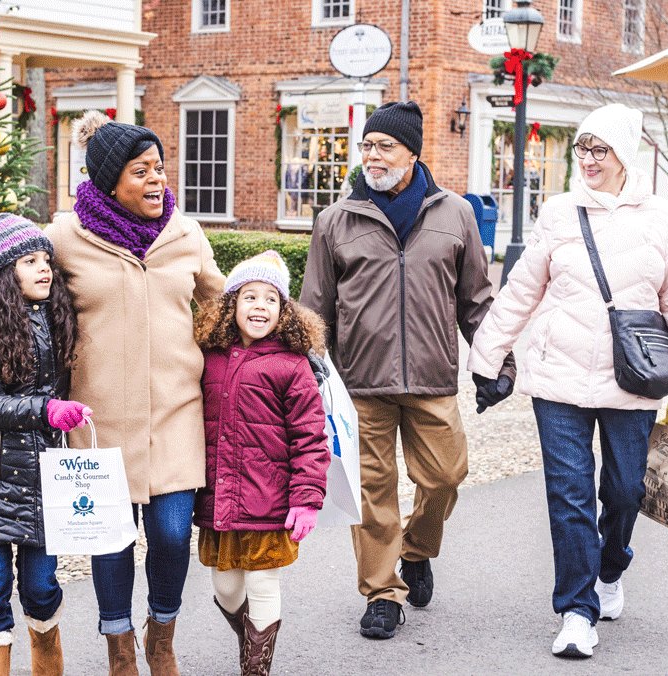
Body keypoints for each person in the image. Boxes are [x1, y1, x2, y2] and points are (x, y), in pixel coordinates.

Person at [467, 103, 668, 659]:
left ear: (624, 153)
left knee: (626, 490)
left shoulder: (659, 218)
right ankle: (577, 611)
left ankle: (611, 566)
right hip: (558, 379)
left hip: (633, 381)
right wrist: (488, 361)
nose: (588, 160)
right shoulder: (559, 213)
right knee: (569, 494)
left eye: (599, 149)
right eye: (582, 149)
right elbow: (520, 292)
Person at [300, 101, 515, 640]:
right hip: (359, 385)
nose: (372, 155)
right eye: (367, 145)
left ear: (413, 152)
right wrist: (307, 375)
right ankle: (381, 591)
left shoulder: (456, 214)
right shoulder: (335, 220)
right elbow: (313, 310)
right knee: (371, 490)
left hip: (432, 377)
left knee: (445, 477)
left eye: (384, 146)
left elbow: (476, 300)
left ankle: (416, 550)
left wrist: (496, 361)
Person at [44, 110, 225, 676]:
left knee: (172, 536)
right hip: (98, 424)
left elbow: (224, 308)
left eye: (160, 168)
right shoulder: (64, 238)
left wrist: (287, 349)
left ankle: (161, 636)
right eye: (142, 171)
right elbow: (22, 300)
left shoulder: (185, 234)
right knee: (111, 541)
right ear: (109, 180)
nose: (157, 180)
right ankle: (118, 646)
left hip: (177, 414)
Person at [0, 213, 90, 676]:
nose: (44, 268)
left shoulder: (57, 312)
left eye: (45, 259)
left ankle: (46, 664)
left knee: (41, 587)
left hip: (45, 472)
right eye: (30, 261)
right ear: (6, 272)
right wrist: (45, 411)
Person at [192, 250, 331, 675]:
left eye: (270, 299)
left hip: (269, 498)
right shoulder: (209, 356)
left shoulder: (292, 365)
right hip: (220, 497)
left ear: (284, 311)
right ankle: (252, 632)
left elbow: (310, 437)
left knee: (263, 582)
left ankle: (256, 666)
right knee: (226, 587)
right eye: (249, 297)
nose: (259, 307)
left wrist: (306, 499)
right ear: (231, 304)